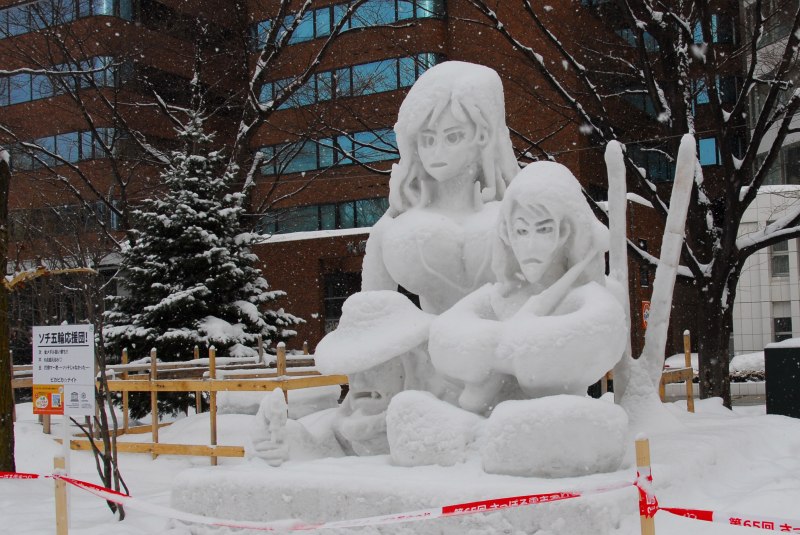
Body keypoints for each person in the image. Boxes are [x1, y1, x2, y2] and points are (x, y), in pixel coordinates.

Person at [429, 162, 628, 414]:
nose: (530, 245)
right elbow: (443, 339)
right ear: (506, 234)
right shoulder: (500, 295)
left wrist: (494, 352)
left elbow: (583, 348)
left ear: (564, 233)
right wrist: (508, 348)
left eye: (544, 229)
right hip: (491, 419)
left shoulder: (590, 299)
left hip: (561, 418)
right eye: (521, 231)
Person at [362, 61, 520, 313]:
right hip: (432, 338)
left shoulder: (518, 214)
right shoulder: (391, 228)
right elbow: (371, 316)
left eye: (453, 136)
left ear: (483, 136)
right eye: (427, 140)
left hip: (505, 337)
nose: (437, 151)